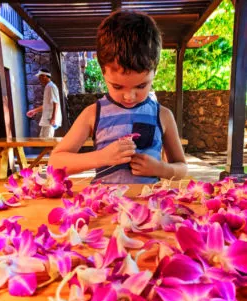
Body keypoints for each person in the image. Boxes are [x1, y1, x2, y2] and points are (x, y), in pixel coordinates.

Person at [49, 10, 187, 183]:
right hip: (104, 207)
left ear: (154, 72)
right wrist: (101, 157)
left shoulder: (163, 115)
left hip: (149, 207)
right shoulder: (93, 113)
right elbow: (54, 164)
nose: (129, 96)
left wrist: (161, 169)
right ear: (103, 72)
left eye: (141, 85)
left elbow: (181, 167)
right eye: (117, 86)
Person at [26, 68, 62, 138]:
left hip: (50, 120)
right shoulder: (48, 86)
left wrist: (53, 118)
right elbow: (46, 105)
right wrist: (34, 111)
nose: (39, 79)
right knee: (43, 139)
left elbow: (56, 103)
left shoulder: (51, 87)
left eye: (39, 77)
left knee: (47, 141)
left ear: (44, 76)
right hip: (47, 120)